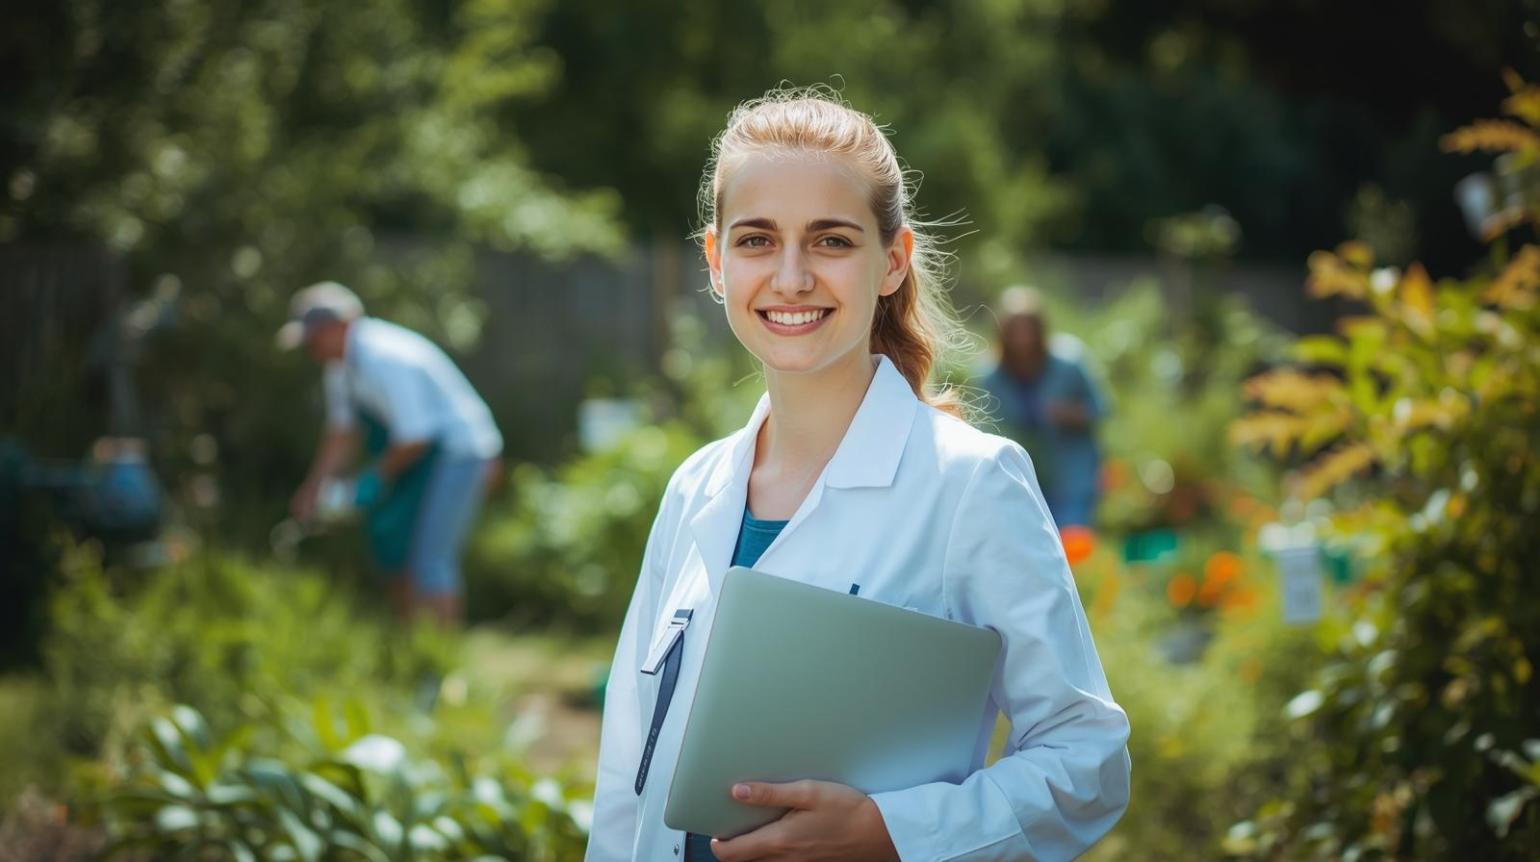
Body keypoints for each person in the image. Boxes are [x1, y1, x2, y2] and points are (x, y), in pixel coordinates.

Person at [585, 91, 1129, 862]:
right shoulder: (693, 489)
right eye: (756, 240)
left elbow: (1088, 763)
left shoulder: (970, 485)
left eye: (831, 241)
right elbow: (625, 771)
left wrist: (891, 833)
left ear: (892, 261)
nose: (792, 275)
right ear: (715, 263)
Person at [281, 282, 501, 627]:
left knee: (430, 557)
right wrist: (313, 489)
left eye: (315, 337)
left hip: (459, 454)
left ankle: (441, 664)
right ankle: (413, 648)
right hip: (417, 457)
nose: (311, 348)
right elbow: (342, 434)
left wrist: (372, 481)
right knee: (395, 552)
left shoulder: (386, 356)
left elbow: (416, 436)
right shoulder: (340, 369)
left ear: (340, 325)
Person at [980, 287, 1107, 528]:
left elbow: (1100, 409)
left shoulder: (1069, 362)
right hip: (1021, 480)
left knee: (1073, 545)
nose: (1023, 338)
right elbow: (984, 428)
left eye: (1028, 329)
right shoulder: (991, 376)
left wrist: (1069, 414)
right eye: (1015, 330)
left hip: (1072, 476)